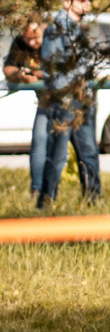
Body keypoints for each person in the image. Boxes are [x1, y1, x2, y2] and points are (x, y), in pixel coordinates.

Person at [37, 0, 102, 208]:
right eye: (81, 0)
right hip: (64, 101)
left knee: (90, 153)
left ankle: (94, 202)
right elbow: (52, 71)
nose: (87, 4)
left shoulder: (83, 28)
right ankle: (45, 203)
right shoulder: (56, 29)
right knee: (56, 156)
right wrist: (81, 70)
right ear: (67, 2)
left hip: (83, 100)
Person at [3, 17, 46, 198]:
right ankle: (37, 191)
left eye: (35, 37)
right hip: (44, 103)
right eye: (27, 38)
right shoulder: (20, 44)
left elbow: (61, 70)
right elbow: (9, 68)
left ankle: (92, 194)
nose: (32, 43)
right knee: (38, 144)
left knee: (81, 149)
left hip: (68, 101)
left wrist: (34, 74)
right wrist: (21, 76)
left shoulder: (53, 40)